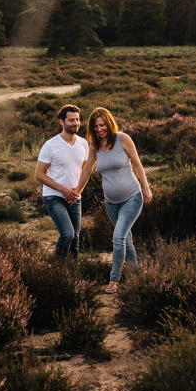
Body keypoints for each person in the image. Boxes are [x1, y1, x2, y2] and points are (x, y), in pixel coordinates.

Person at [78, 107, 153, 293]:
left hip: (132, 198)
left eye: (102, 125)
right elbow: (87, 170)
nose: (99, 129)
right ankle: (137, 276)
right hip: (111, 203)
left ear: (109, 123)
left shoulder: (123, 139)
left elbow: (137, 164)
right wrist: (76, 191)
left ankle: (114, 280)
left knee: (118, 238)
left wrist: (146, 188)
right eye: (95, 126)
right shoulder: (94, 146)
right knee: (126, 240)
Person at [35, 104, 89, 259]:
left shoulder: (83, 143)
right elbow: (39, 175)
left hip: (75, 198)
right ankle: (57, 269)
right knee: (67, 234)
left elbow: (85, 172)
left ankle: (72, 272)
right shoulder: (51, 145)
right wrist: (63, 190)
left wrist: (77, 192)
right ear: (61, 122)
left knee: (76, 238)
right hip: (53, 197)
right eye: (71, 120)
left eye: (78, 120)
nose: (75, 123)